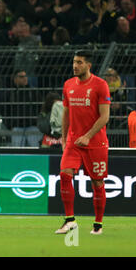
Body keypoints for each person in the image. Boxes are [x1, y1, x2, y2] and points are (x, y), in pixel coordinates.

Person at [56, 50, 111, 236]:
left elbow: (105, 117)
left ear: (88, 65)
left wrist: (88, 136)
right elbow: (66, 114)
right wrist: (64, 138)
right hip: (73, 142)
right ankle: (70, 220)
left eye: (79, 62)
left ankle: (98, 224)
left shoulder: (100, 85)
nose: (75, 66)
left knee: (97, 183)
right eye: (74, 62)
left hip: (95, 143)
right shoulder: (68, 85)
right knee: (64, 175)